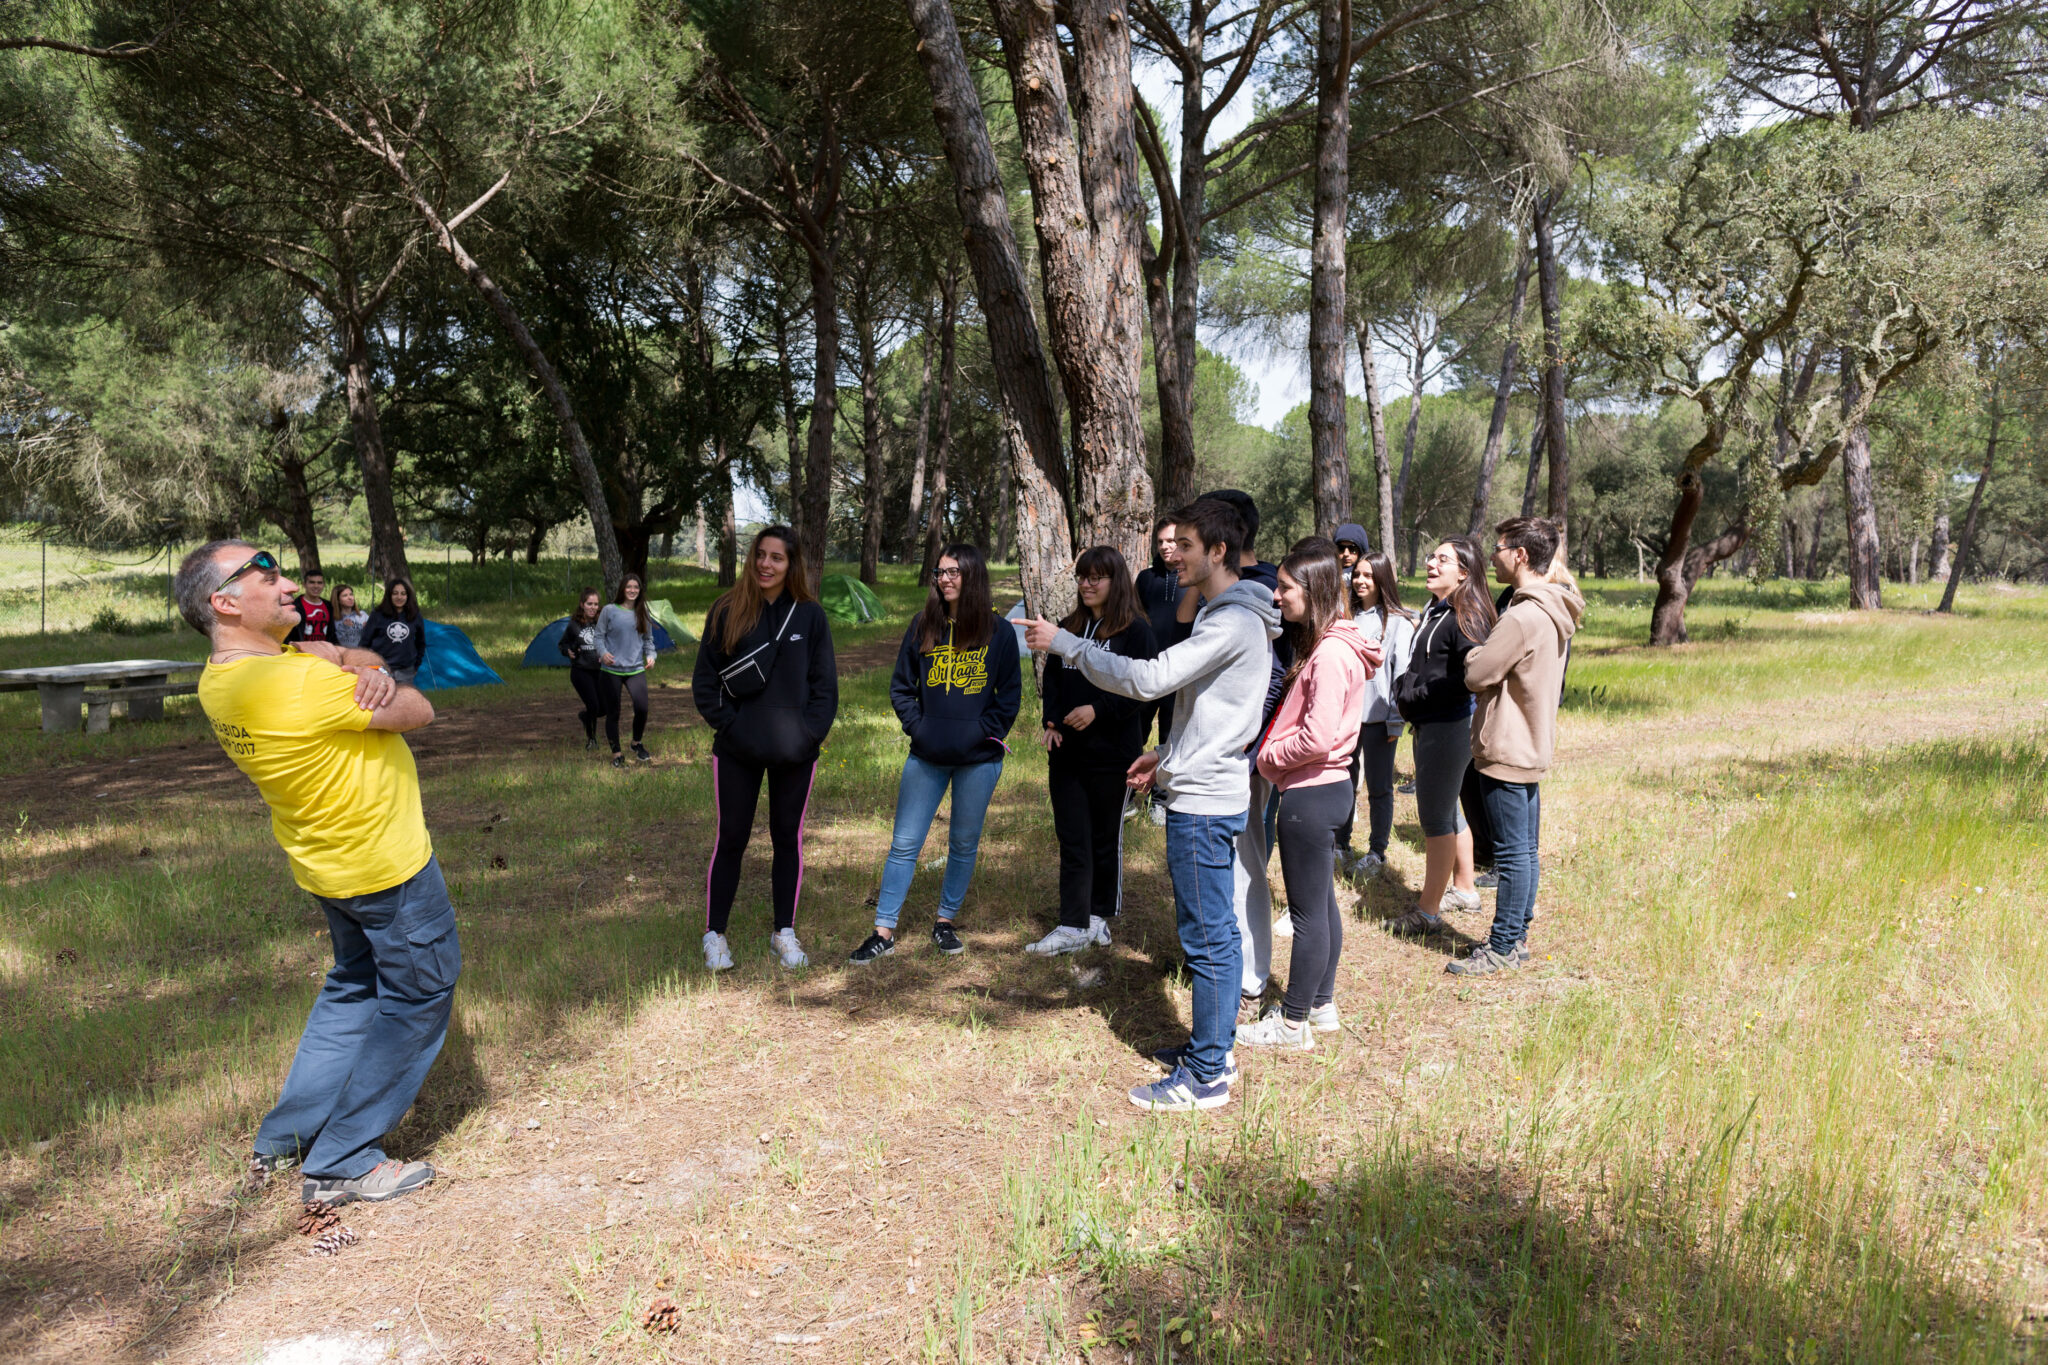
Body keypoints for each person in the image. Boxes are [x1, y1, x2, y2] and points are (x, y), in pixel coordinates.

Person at [176, 541, 452, 1206]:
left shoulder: (222, 679)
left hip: (325, 866)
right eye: (267, 576)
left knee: (355, 987)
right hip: (385, 866)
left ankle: (283, 1140)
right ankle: (343, 1159)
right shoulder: (294, 681)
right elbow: (418, 709)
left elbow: (351, 665)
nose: (291, 584)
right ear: (225, 601)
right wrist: (360, 666)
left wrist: (346, 659)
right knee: (418, 995)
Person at [1023, 499, 1280, 1114]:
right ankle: (1213, 1048)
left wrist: (1067, 645)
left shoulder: (1230, 623)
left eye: (1186, 545)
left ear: (1217, 551)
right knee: (1209, 932)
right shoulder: (1229, 616)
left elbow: (1147, 679)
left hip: (1204, 802)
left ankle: (1208, 1074)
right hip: (1196, 782)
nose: (1173, 555)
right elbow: (1213, 715)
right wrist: (1165, 754)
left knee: (1207, 938)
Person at [850, 544, 1022, 963]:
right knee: (904, 844)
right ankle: (883, 931)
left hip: (979, 761)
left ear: (973, 576)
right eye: (940, 572)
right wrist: (920, 728)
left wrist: (984, 733)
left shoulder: (998, 632)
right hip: (926, 756)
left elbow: (1009, 696)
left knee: (963, 843)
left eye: (953, 572)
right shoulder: (923, 624)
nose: (944, 579)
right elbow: (901, 687)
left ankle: (945, 922)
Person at [1238, 541, 1377, 1051]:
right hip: (1325, 789)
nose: (1277, 596)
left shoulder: (1333, 653)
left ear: (1314, 590)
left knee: (1307, 914)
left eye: (1286, 588)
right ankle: (1320, 1006)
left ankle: (1292, 1022)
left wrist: (1268, 758)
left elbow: (1316, 738)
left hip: (1311, 792)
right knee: (1322, 905)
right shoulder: (1333, 644)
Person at [691, 526, 838, 972]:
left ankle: (783, 932)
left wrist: (807, 736)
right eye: (760, 555)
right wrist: (731, 728)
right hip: (737, 750)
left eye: (777, 557)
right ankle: (715, 934)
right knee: (732, 837)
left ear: (792, 565)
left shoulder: (810, 617)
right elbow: (704, 682)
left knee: (786, 840)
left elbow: (824, 689)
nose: (766, 565)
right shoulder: (726, 610)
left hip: (795, 753)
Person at [1448, 519, 1583, 975]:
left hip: (1508, 745)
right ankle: (1517, 937)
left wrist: (1471, 654)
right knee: (1524, 850)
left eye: (1500, 547)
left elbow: (1477, 673)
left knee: (1511, 853)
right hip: (1529, 742)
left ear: (1521, 555)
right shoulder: (1554, 607)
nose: (1493, 556)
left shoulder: (1524, 615)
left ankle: (1503, 945)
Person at [1027, 546, 1157, 957]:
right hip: (1067, 755)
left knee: (1104, 838)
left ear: (1115, 581)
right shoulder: (1068, 627)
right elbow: (1052, 677)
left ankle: (1098, 917)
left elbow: (1144, 691)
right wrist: (1051, 721)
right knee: (1072, 838)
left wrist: (1099, 710)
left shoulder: (1136, 632)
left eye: (1096, 577)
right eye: (1082, 577)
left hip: (1113, 755)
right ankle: (1071, 923)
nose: (1086, 584)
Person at [1188, 489, 1285, 1014]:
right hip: (1223, 752)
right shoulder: (1223, 593)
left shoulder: (1264, 593)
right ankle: (1225, 963)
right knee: (1225, 866)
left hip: (1246, 757)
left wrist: (1250, 745)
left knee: (1246, 863)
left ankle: (1248, 976)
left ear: (1223, 539)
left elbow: (1277, 677)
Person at [1390, 537, 1496, 937]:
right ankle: (1465, 889)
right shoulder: (1439, 610)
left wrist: (1414, 694)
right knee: (1449, 809)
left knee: (1434, 819)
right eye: (1432, 556)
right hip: (1432, 723)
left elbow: (1470, 677)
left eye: (1443, 559)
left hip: (1448, 725)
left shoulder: (1465, 615)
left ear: (1464, 573)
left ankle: (1428, 912)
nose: (1432, 563)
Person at [1337, 553, 1416, 879]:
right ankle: (1340, 846)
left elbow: (1402, 673)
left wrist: (1396, 719)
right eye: (1357, 574)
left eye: (1368, 574)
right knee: (1343, 783)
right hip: (1346, 719)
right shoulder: (1345, 617)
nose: (1360, 580)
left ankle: (1376, 852)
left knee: (1379, 788)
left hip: (1380, 719)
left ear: (1382, 578)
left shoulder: (1397, 621)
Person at [1133, 516, 1182, 825]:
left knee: (1170, 737)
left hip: (1179, 673)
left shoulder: (1192, 579)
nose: (1165, 546)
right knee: (1133, 732)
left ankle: (1161, 800)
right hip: (1146, 671)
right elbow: (1135, 618)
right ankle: (1125, 794)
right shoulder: (1145, 578)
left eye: (1172, 541)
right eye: (1161, 541)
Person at [599, 573, 658, 768]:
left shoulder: (643, 612)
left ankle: (636, 743)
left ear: (640, 591)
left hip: (635, 668)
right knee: (613, 712)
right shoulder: (609, 611)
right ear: (622, 589)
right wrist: (603, 652)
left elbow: (648, 641)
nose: (632, 590)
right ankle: (617, 753)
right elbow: (598, 637)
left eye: (636, 587)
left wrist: (651, 656)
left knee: (642, 708)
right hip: (611, 670)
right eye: (629, 587)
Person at [558, 587, 606, 751]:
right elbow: (563, 644)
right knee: (593, 704)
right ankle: (591, 739)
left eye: (596, 604)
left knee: (604, 708)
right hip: (581, 671)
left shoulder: (601, 623)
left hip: (599, 671)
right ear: (582, 605)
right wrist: (568, 651)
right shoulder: (574, 625)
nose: (593, 607)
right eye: (589, 604)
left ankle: (585, 717)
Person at [361, 579, 427, 686]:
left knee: (403, 701)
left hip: (406, 670)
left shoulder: (415, 615)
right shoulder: (377, 615)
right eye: (395, 593)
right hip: (380, 669)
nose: (399, 597)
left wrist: (416, 665)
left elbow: (421, 642)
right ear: (389, 595)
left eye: (403, 594)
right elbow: (364, 642)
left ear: (408, 596)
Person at [290, 570, 334, 644]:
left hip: (323, 651)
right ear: (304, 584)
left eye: (319, 583)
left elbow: (331, 632)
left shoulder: (328, 606)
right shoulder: (295, 605)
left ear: (324, 585)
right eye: (312, 582)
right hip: (301, 652)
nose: (316, 586)